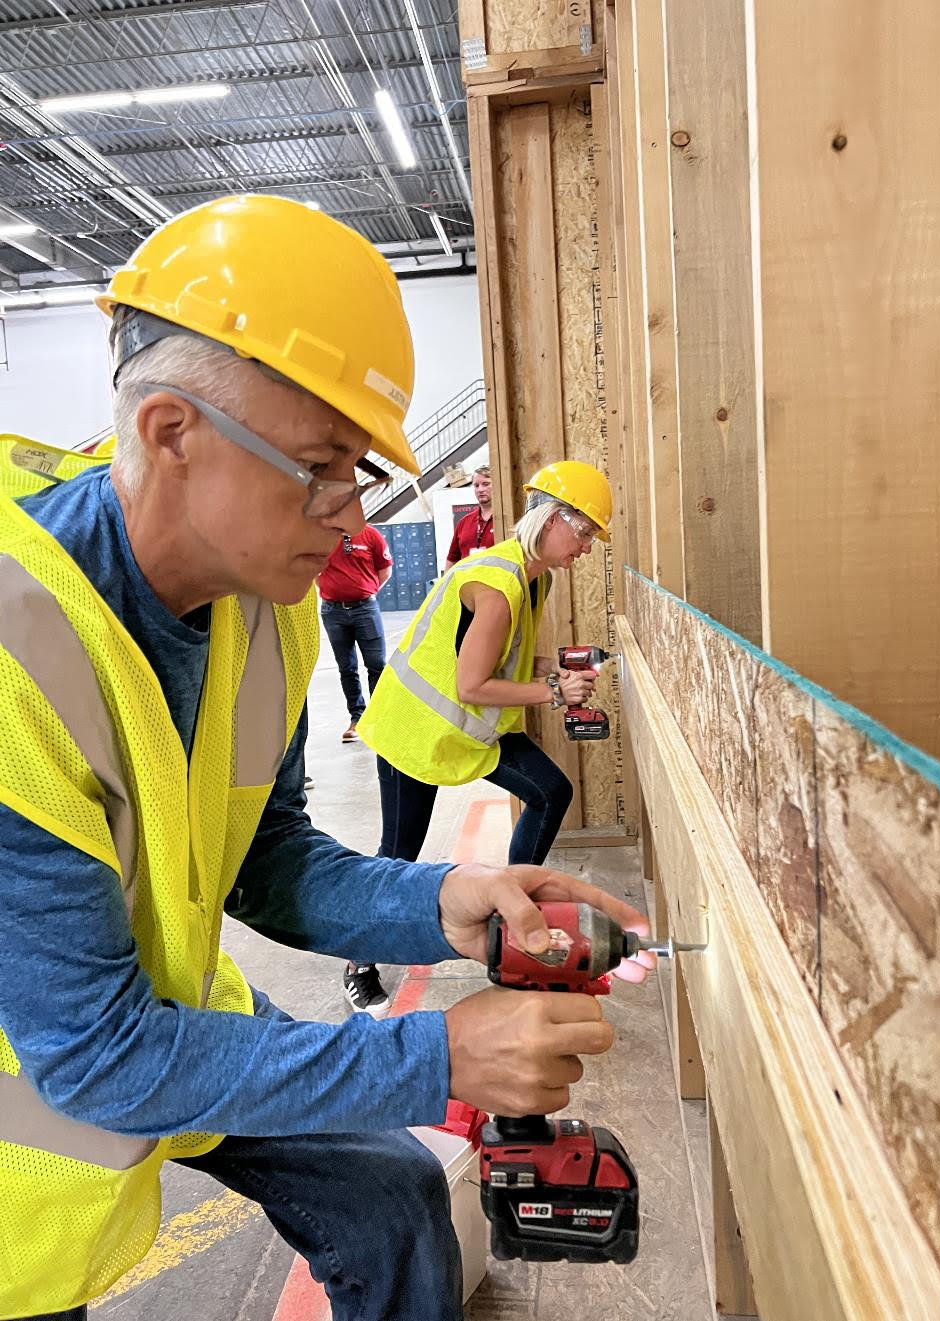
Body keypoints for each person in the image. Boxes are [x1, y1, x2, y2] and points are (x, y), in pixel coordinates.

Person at [0, 196, 654, 1321]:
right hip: (40, 1117)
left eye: (356, 469)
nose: (353, 518)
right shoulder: (17, 653)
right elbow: (96, 1058)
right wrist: (434, 1054)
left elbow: (270, 863)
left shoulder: (267, 607)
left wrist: (447, 900)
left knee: (388, 1191)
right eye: (321, 466)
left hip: (163, 1016)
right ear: (170, 433)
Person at [354, 462, 610, 1015]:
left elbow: (504, 659)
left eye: (592, 536)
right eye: (584, 532)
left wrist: (560, 666)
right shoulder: (498, 585)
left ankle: (513, 915)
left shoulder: (531, 575)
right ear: (549, 519)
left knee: (549, 791)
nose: (586, 548)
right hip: (416, 730)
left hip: (470, 731)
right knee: (398, 855)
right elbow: (473, 683)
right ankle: (358, 962)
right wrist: (553, 691)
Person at [318, 525, 392, 744]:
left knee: (376, 664)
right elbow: (314, 573)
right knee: (347, 668)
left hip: (365, 609)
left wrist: (364, 591)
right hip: (333, 611)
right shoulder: (321, 535)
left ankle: (380, 719)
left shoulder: (370, 535)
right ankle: (357, 718)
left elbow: (385, 569)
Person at [444, 464, 494, 569]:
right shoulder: (464, 523)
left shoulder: (506, 521)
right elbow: (451, 560)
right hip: (468, 583)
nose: (480, 489)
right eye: (476, 485)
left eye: (486, 484)